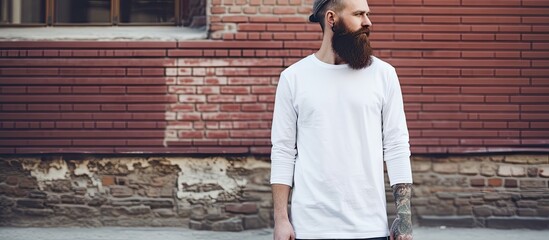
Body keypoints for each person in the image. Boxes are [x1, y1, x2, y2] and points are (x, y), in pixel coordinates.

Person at [270, 0, 413, 239]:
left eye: (367, 14)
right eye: (358, 14)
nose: (368, 22)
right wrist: (281, 220)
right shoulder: (293, 78)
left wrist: (404, 220)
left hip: (369, 225)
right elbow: (283, 151)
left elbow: (397, 145)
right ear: (331, 19)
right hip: (310, 228)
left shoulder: (383, 75)